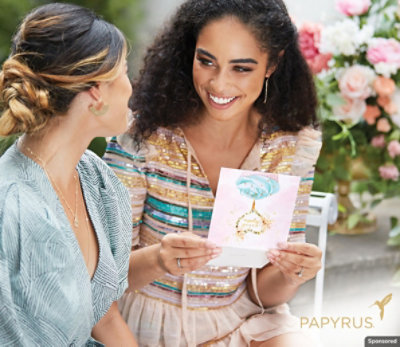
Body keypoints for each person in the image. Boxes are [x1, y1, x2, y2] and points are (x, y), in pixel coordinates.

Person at [104, 0, 322, 346]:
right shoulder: (144, 136)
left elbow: (265, 294)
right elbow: (103, 276)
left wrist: (295, 272)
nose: (219, 84)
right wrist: (159, 259)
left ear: (272, 64)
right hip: (149, 325)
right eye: (206, 61)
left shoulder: (290, 148)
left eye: (241, 68)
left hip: (242, 321)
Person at [0, 3, 137, 346]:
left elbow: (105, 316)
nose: (132, 86)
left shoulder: (97, 180)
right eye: (124, 71)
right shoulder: (10, 210)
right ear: (96, 92)